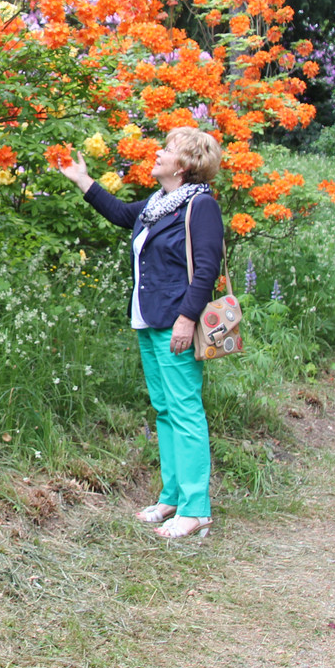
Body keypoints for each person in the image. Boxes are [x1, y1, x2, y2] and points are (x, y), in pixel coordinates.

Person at [59, 127, 225, 540]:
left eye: (167, 150)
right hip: (149, 320)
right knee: (165, 410)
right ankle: (172, 496)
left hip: (176, 322)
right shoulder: (158, 204)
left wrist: (187, 319)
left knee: (185, 412)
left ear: (185, 165)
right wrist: (83, 180)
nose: (158, 153)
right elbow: (119, 214)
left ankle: (196, 509)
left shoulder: (200, 206)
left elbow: (206, 269)